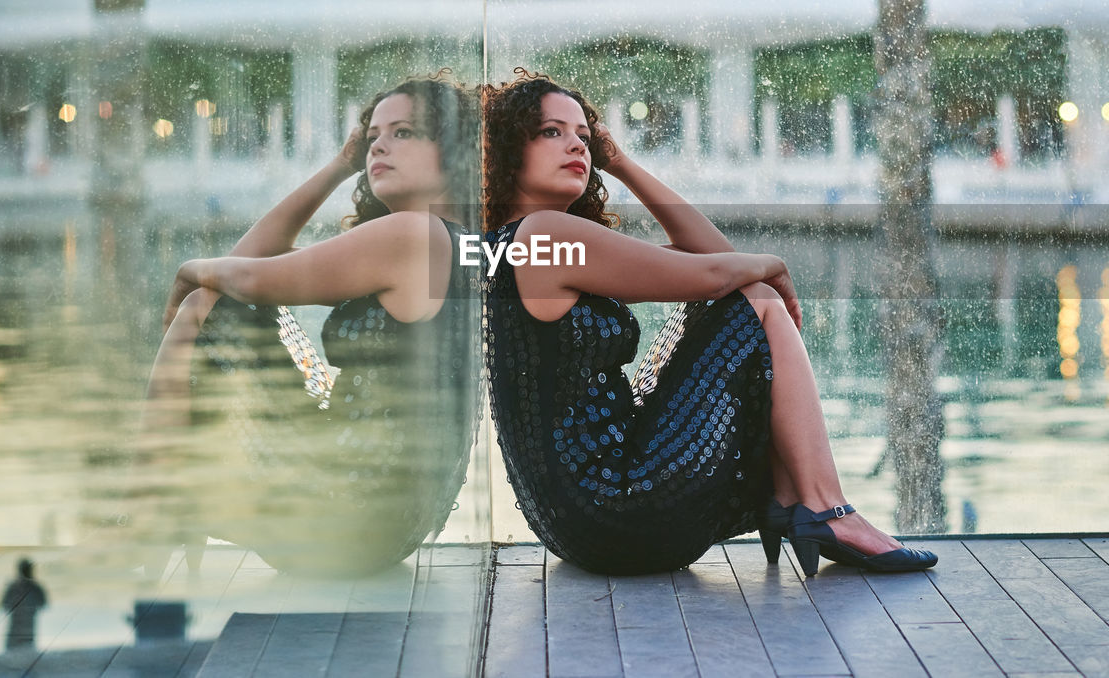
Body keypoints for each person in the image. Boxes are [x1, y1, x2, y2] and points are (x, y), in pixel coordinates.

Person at [481, 71, 937, 576]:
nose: (577, 147)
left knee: (735, 296)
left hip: (578, 526)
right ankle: (824, 507)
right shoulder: (546, 234)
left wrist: (620, 162)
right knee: (760, 300)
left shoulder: (517, 245)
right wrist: (773, 265)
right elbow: (724, 268)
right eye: (551, 132)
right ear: (506, 150)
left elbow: (715, 260)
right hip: (619, 505)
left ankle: (793, 496)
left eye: (585, 138)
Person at [145, 75, 478, 576]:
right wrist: (345, 163)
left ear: (454, 154)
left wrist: (186, 271)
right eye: (371, 139)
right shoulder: (446, 242)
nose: (379, 145)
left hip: (342, 514)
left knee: (203, 302)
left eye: (404, 132)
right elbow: (248, 265)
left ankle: (150, 507)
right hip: (389, 526)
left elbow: (242, 278)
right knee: (220, 296)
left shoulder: (415, 233)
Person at [0, 558, 47, 651]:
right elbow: (43, 604)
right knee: (24, 649)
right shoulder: (35, 587)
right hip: (25, 626)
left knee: (15, 650)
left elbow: (4, 605)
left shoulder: (13, 586)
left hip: (20, 626)